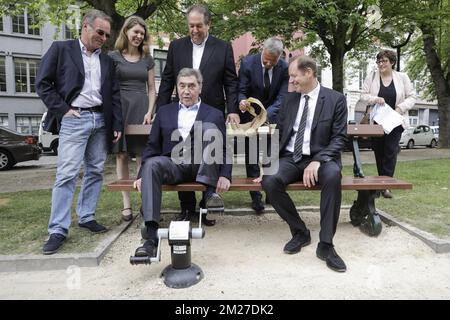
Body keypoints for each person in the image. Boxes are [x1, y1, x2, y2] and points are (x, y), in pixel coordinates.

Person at [36, 9, 122, 255]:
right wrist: (63, 110)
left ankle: (86, 216)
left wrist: (116, 123)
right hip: (75, 118)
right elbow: (42, 84)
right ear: (85, 26)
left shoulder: (107, 60)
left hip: (101, 120)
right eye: (100, 32)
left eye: (106, 34)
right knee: (67, 174)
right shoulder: (61, 49)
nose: (104, 38)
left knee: (95, 170)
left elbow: (113, 95)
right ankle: (58, 230)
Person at [261, 56, 348, 272]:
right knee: (270, 181)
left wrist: (318, 160)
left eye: (294, 76)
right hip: (291, 158)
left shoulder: (335, 99)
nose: (291, 81)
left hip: (322, 157)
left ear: (308, 72)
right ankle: (300, 231)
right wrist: (268, 165)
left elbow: (339, 138)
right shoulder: (290, 100)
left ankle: (326, 244)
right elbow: (278, 135)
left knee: (332, 175)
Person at [132, 68, 232, 257]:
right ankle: (151, 237)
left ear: (200, 88)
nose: (186, 91)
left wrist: (225, 174)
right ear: (176, 88)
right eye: (182, 86)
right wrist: (140, 175)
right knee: (152, 165)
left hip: (202, 165)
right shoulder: (164, 112)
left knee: (209, 129)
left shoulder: (214, 113)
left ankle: (210, 197)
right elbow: (152, 146)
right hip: (173, 165)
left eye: (192, 86)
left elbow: (224, 147)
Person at [156, 4, 239, 225]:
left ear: (208, 24)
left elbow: (231, 81)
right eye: (191, 26)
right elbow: (166, 80)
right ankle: (187, 208)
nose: (194, 30)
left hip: (212, 111)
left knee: (208, 156)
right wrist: (159, 110)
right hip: (182, 111)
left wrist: (232, 110)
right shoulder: (176, 47)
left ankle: (205, 206)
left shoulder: (222, 47)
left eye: (199, 26)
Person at [108, 16, 156, 221]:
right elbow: (108, 87)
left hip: (141, 108)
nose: (138, 36)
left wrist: (150, 111)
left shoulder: (147, 58)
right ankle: (126, 205)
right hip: (120, 109)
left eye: (142, 33)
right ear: (126, 31)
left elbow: (152, 88)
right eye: (135, 31)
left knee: (142, 156)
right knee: (121, 156)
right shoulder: (112, 57)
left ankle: (145, 202)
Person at [238, 37, 289, 213]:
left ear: (279, 58)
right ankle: (255, 198)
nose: (268, 64)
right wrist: (242, 102)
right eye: (266, 59)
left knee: (271, 157)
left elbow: (282, 97)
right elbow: (242, 91)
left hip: (272, 118)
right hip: (251, 118)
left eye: (272, 62)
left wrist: (266, 114)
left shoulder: (284, 68)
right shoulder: (247, 63)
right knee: (252, 158)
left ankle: (271, 192)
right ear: (262, 50)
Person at [357, 49, 416, 198]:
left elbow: (412, 97)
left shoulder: (402, 77)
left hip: (395, 121)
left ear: (392, 63)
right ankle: (380, 183)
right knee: (379, 152)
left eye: (384, 61)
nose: (381, 64)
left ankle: (386, 185)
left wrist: (400, 108)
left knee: (390, 151)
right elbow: (363, 96)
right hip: (377, 121)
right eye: (379, 61)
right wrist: (375, 99)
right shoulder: (372, 77)